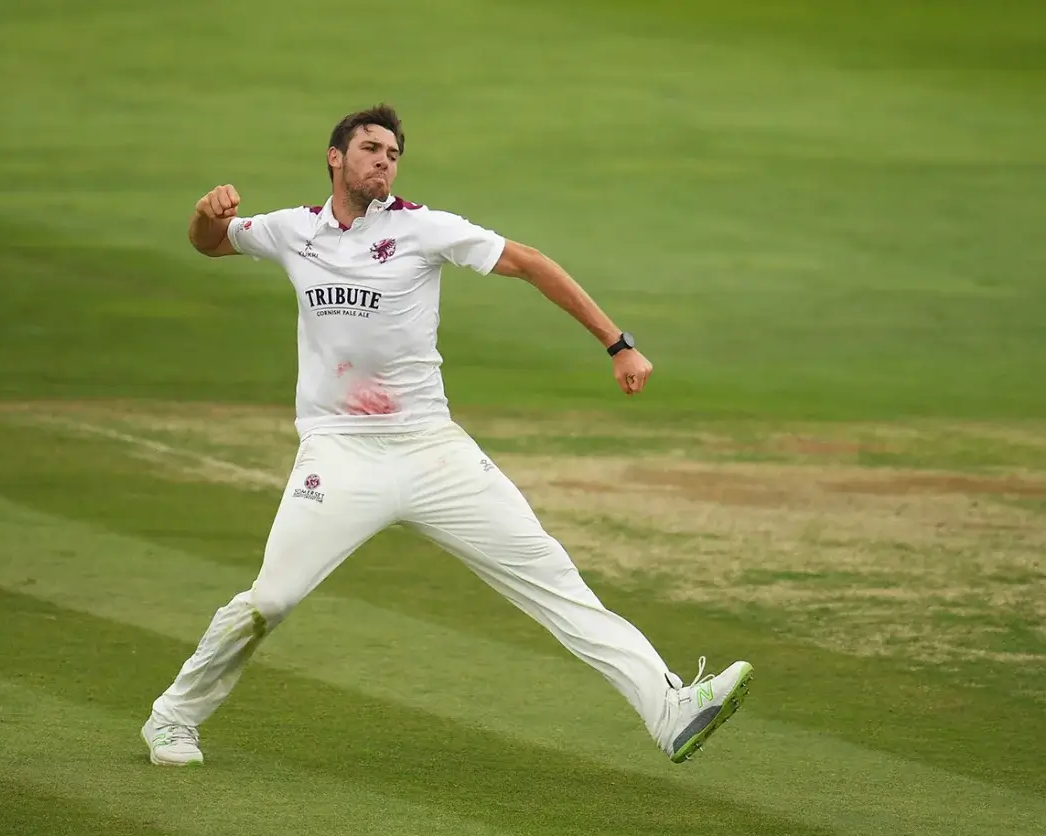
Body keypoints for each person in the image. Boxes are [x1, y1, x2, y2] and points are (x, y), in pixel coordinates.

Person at [141, 104, 752, 767]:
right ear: (335, 157)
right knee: (271, 600)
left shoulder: (422, 227)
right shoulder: (293, 231)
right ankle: (173, 718)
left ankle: (669, 708)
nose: (384, 160)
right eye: (371, 148)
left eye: (393, 153)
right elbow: (209, 242)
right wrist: (209, 212)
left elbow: (529, 262)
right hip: (340, 455)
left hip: (433, 452)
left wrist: (618, 344)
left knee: (552, 575)